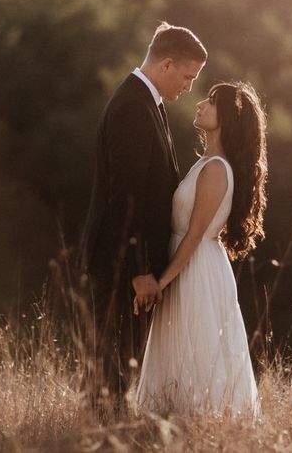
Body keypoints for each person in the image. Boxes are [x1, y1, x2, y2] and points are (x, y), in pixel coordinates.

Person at [79, 22, 207, 411]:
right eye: (187, 77)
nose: (188, 87)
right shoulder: (133, 107)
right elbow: (126, 198)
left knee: (119, 362)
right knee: (110, 365)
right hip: (119, 263)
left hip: (130, 262)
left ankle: (108, 429)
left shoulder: (148, 102)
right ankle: (100, 435)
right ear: (167, 65)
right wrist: (137, 269)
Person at [136, 81, 267, 417]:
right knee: (178, 354)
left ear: (228, 116)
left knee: (198, 355)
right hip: (186, 264)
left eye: (210, 102)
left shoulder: (215, 170)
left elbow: (194, 236)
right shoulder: (205, 162)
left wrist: (161, 282)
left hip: (195, 269)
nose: (199, 106)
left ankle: (202, 429)